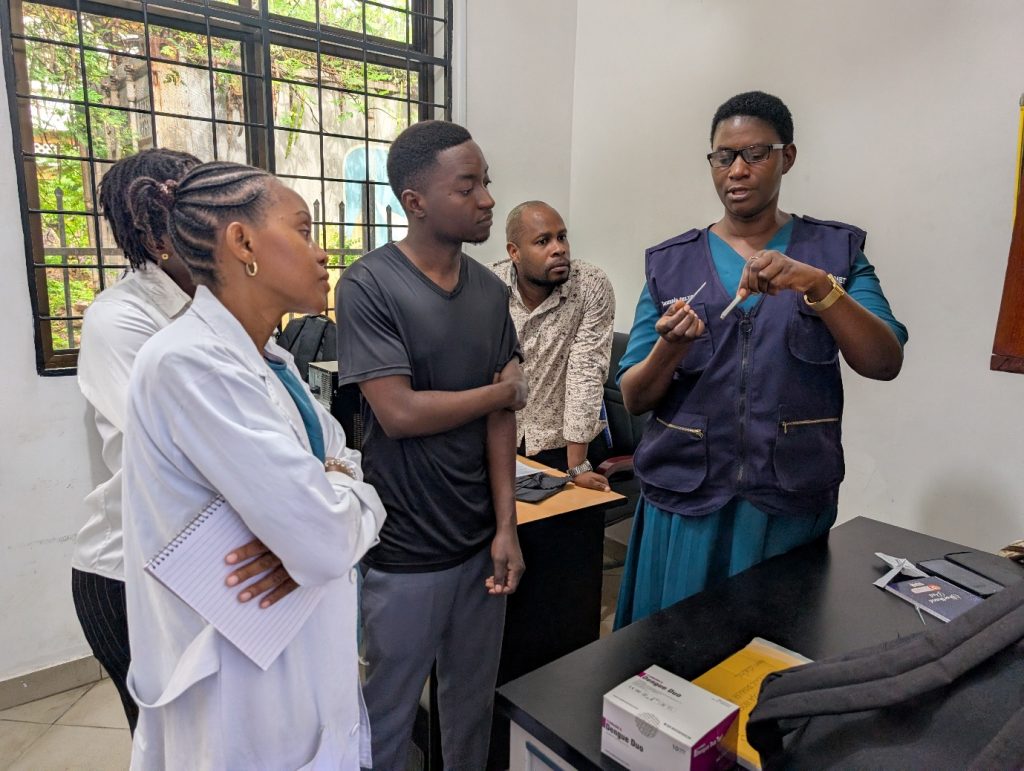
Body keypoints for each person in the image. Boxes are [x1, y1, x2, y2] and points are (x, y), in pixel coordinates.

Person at [121, 161, 386, 768]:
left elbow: (347, 473)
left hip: (304, 652)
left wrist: (338, 492)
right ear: (243, 243)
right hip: (242, 673)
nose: (323, 255)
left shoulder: (273, 361)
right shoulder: (189, 363)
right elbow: (321, 540)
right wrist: (333, 498)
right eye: (304, 230)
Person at [614, 91, 908, 628]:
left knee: (771, 654)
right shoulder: (672, 263)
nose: (738, 170)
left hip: (785, 503)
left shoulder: (834, 256)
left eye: (757, 154)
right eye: (724, 157)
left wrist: (818, 287)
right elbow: (635, 395)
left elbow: (883, 359)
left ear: (787, 158)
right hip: (687, 504)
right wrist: (670, 346)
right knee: (672, 658)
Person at [336, 120, 526, 770]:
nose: (486, 200)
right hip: (406, 553)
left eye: (486, 183)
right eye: (467, 186)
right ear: (414, 201)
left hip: (480, 545)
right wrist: (499, 392)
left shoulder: (490, 291)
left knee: (469, 712)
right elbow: (399, 412)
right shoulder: (368, 285)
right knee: (386, 720)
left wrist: (507, 526)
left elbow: (501, 424)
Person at [73, 148, 199, 733]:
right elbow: (180, 453)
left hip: (197, 565)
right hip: (128, 576)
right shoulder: (119, 319)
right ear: (158, 240)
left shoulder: (214, 309)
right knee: (166, 744)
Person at [490, 201, 615, 490]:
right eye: (543, 241)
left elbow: (586, 372)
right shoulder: (488, 286)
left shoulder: (589, 285)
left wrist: (577, 466)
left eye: (562, 237)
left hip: (566, 445)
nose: (559, 248)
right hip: (498, 442)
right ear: (514, 252)